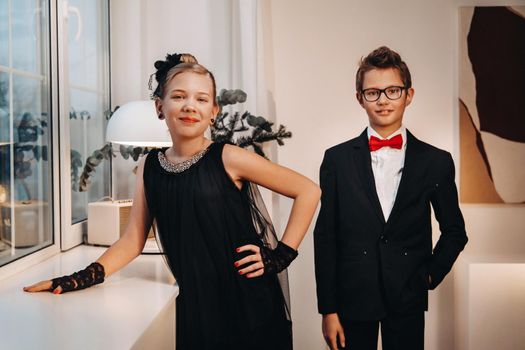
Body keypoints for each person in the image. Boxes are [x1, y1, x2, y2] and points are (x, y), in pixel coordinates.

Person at [24, 53, 321, 350]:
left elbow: (308, 191)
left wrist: (279, 256)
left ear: (214, 111)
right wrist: (80, 278)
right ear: (159, 107)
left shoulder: (229, 157)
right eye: (179, 96)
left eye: (202, 99)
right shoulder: (149, 167)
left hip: (246, 300)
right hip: (195, 304)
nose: (190, 105)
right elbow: (132, 240)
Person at [313, 46, 468, 350]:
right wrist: (328, 310)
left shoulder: (435, 161)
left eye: (393, 90)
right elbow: (325, 237)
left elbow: (455, 231)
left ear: (408, 95)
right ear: (360, 98)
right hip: (352, 298)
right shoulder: (337, 159)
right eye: (373, 92)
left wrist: (428, 276)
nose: (383, 100)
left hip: (408, 295)